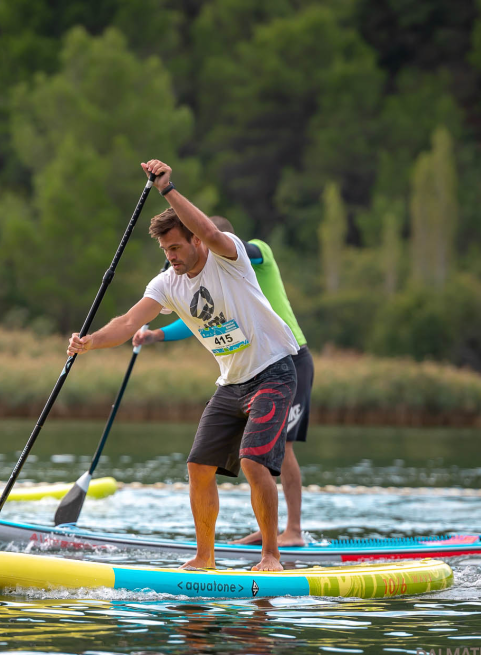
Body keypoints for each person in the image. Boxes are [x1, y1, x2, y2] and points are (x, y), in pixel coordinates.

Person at [68, 159, 299, 572]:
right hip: (232, 383)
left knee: (252, 460)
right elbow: (127, 322)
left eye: (175, 247)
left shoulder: (227, 255)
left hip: (274, 370)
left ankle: (271, 556)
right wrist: (89, 343)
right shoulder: (166, 284)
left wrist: (167, 188)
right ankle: (204, 558)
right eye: (164, 250)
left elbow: (211, 230)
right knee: (197, 466)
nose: (170, 256)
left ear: (195, 242)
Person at [134, 216, 313, 548]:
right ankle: (269, 527)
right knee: (253, 454)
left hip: (289, 357)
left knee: (280, 446)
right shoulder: (212, 280)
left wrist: (205, 239)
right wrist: (156, 333)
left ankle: (294, 531)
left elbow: (223, 241)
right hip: (248, 369)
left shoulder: (253, 251)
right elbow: (199, 319)